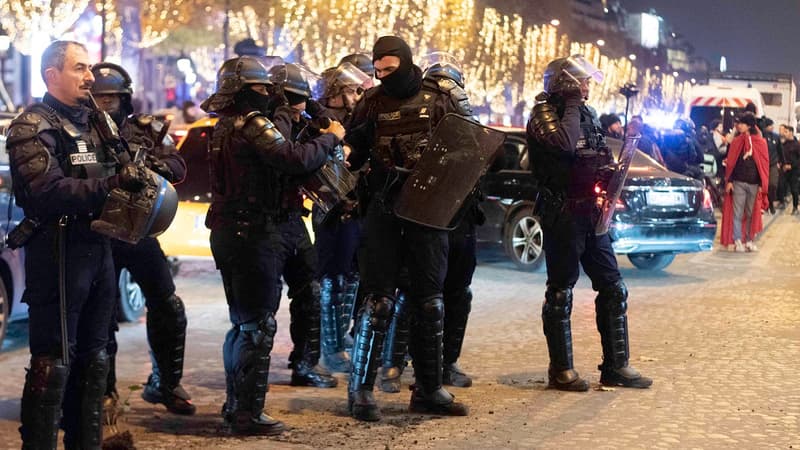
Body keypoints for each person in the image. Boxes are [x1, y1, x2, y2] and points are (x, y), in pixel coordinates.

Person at [7, 40, 148, 449]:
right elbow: (45, 191)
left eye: (88, 68)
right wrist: (110, 185)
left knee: (96, 358)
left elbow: (126, 165)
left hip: (98, 247)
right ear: (52, 75)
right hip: (57, 250)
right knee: (52, 364)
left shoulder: (96, 121)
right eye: (80, 68)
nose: (90, 77)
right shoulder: (32, 125)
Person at [200, 56, 345, 435]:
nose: (267, 95)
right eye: (261, 89)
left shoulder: (232, 124)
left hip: (255, 229)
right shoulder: (251, 125)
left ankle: (241, 407)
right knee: (254, 325)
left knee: (249, 324)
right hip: (251, 233)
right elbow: (292, 159)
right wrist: (331, 137)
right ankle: (245, 413)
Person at [344, 36, 473, 421]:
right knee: (378, 300)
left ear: (405, 61)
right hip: (384, 210)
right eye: (378, 71)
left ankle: (429, 389)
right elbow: (353, 148)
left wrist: (441, 169)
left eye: (389, 69)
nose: (383, 77)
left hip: (428, 210)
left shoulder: (441, 97)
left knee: (430, 302)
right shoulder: (371, 102)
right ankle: (361, 392)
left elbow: (469, 147)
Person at [526, 55, 652, 392]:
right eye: (581, 82)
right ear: (565, 84)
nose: (587, 87)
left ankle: (616, 365)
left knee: (613, 287)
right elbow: (565, 144)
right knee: (560, 292)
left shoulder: (587, 113)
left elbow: (596, 152)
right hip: (562, 211)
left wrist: (608, 171)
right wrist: (569, 102)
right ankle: (561, 370)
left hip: (591, 213)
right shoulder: (543, 114)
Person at [90, 62, 195, 417]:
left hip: (140, 230)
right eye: (100, 97)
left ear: (125, 98)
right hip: (100, 230)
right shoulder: (82, 129)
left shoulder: (144, 129)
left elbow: (178, 165)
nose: (106, 103)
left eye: (112, 97)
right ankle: (104, 394)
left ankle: (165, 383)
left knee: (167, 304)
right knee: (101, 317)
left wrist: (153, 165)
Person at [379, 52, 478, 392]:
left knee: (457, 293)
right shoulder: (416, 115)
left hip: (459, 216)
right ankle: (393, 363)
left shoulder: (463, 120)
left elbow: (480, 155)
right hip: (424, 215)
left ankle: (445, 363)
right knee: (413, 292)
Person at [260, 62, 339, 388]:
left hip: (292, 220)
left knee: (309, 291)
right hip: (267, 224)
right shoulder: (269, 123)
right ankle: (254, 379)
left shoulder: (290, 118)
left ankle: (305, 362)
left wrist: (318, 115)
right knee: (264, 305)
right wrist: (329, 138)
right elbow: (294, 157)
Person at [313, 61, 372, 372]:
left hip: (356, 205)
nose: (355, 95)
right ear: (334, 92)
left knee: (352, 277)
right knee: (333, 280)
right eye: (350, 90)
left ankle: (342, 339)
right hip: (333, 208)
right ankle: (331, 347)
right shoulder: (323, 122)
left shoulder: (353, 119)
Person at [720, 113, 769, 252]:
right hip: (738, 182)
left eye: (742, 123)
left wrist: (761, 184)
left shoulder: (760, 142)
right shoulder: (736, 141)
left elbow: (763, 165)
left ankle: (748, 239)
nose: (739, 125)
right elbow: (731, 163)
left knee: (751, 212)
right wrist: (729, 181)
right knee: (737, 213)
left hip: (754, 184)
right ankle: (737, 240)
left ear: (749, 125)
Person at [762, 118, 785, 213]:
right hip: (763, 164)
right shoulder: (761, 136)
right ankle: (764, 204)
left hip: (773, 164)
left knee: (773, 184)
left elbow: (780, 151)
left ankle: (770, 202)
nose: (772, 127)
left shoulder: (776, 137)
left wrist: (783, 162)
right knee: (764, 185)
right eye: (770, 125)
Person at [779, 124, 800, 214]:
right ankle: (782, 202)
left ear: (791, 132)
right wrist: (781, 164)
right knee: (781, 186)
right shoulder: (783, 144)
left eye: (786, 132)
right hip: (784, 169)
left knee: (794, 189)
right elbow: (780, 155)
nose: (784, 134)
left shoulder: (797, 145)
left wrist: (791, 166)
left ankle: (795, 206)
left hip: (794, 170)